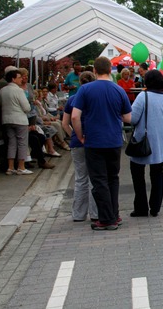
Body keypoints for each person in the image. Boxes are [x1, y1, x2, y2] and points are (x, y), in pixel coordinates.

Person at [71, 56, 132, 231]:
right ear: (110, 69)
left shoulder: (85, 90)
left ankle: (106, 219)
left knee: (99, 181)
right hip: (114, 140)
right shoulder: (119, 89)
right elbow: (128, 117)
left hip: (94, 141)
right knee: (113, 179)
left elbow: (75, 116)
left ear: (95, 71)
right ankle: (115, 214)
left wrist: (80, 135)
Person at [129, 70, 163, 217]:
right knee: (157, 173)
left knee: (137, 172)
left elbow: (133, 118)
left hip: (144, 141)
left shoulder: (143, 96)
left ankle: (141, 207)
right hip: (161, 142)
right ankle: (155, 206)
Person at [62, 71, 97, 222]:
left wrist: (75, 135)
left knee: (80, 178)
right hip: (93, 140)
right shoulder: (95, 99)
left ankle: (78, 214)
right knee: (94, 178)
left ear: (79, 83)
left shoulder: (72, 100)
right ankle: (95, 213)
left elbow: (65, 123)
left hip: (77, 142)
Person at [0, 69, 33, 175]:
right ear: (13, 79)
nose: (21, 79)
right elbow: (27, 108)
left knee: (11, 143)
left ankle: (10, 167)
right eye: (19, 77)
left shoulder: (3, 90)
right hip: (20, 120)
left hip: (6, 120)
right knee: (22, 143)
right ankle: (21, 166)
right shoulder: (19, 91)